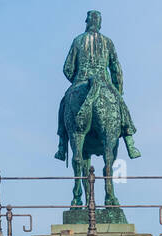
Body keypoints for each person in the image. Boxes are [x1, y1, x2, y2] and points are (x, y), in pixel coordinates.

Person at [55, 10, 141, 162]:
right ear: (99, 24)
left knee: (64, 104)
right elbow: (116, 69)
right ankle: (130, 142)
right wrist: (118, 91)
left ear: (87, 22)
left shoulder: (78, 40)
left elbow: (67, 68)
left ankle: (62, 146)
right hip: (104, 83)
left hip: (80, 81)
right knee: (122, 106)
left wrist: (77, 82)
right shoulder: (108, 42)